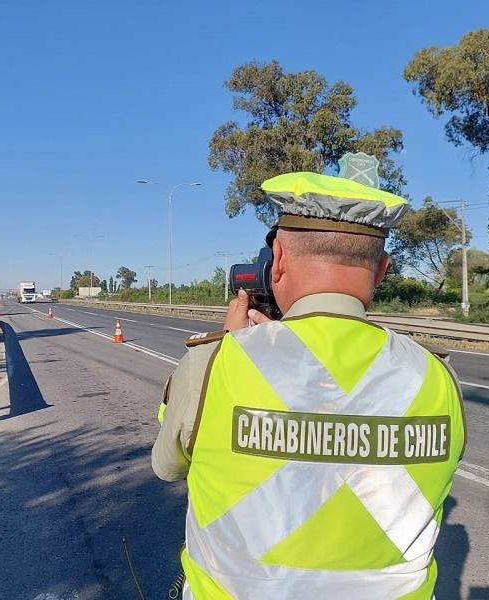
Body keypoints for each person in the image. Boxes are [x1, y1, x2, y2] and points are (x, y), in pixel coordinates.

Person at [151, 171, 466, 599]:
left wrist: (232, 348)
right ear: (382, 270)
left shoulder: (214, 364)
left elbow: (167, 466)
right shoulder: (437, 377)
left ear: (277, 259)